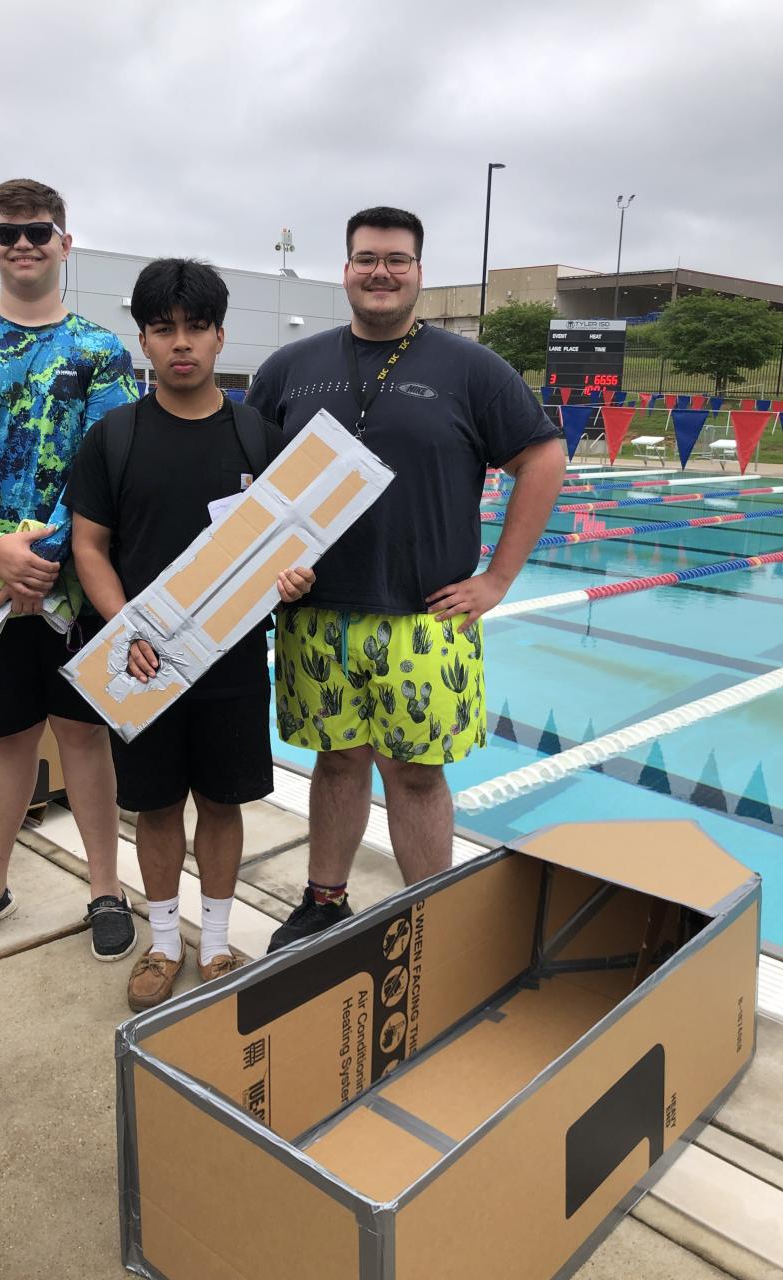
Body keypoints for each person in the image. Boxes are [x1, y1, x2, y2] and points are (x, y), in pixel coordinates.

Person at [246, 206, 566, 951]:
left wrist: (498, 579)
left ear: (419, 272)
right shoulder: (290, 368)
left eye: (396, 259)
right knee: (336, 761)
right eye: (366, 259)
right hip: (316, 612)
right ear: (346, 269)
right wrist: (260, 570)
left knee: (416, 776)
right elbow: (247, 475)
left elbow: (542, 459)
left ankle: (431, 913)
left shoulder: (469, 367)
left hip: (426, 615)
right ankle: (324, 900)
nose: (380, 272)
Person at [64, 258, 314, 1010]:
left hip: (232, 661)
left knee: (223, 800)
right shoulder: (113, 438)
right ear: (142, 341)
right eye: (163, 329)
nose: (181, 343)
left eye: (195, 328)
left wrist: (291, 579)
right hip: (145, 659)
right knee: (160, 805)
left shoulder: (256, 437)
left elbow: (288, 548)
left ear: (219, 336)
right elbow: (88, 546)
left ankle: (215, 940)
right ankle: (164, 941)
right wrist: (127, 623)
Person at [0, 178, 139, 961]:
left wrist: (40, 557)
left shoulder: (100, 351)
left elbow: (112, 467)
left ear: (64, 243)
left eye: (39, 232)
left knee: (83, 736)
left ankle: (106, 890)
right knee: (5, 739)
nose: (23, 245)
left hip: (75, 587)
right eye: (8, 233)